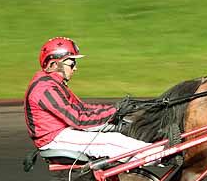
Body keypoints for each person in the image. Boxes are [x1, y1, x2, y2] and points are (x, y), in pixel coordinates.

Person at [24, 36, 160, 161]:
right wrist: (114, 112)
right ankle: (162, 156)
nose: (75, 68)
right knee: (111, 141)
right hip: (54, 138)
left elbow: (82, 109)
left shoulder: (53, 83)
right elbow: (78, 119)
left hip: (62, 132)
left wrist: (115, 110)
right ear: (54, 65)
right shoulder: (45, 88)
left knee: (117, 130)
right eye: (71, 63)